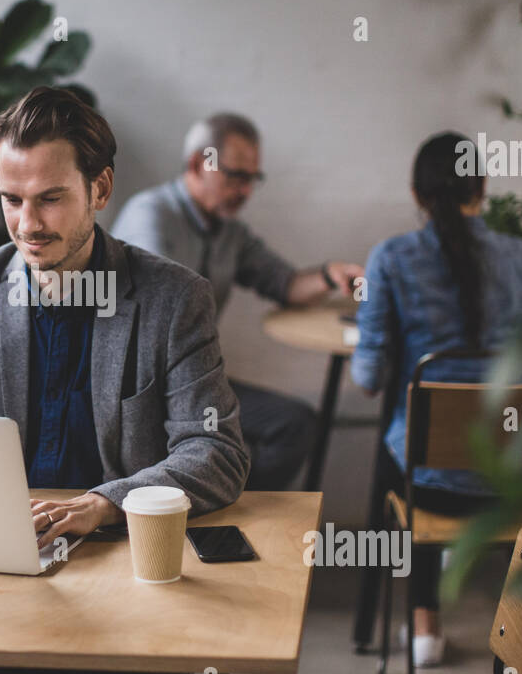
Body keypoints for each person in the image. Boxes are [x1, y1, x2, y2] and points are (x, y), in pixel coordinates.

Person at [0, 86, 250, 674]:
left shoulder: (173, 299)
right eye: (12, 199)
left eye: (51, 198)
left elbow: (216, 450)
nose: (28, 223)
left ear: (99, 190)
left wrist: (105, 503)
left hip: (124, 569)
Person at [349, 132, 522, 667]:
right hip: (518, 486)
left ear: (418, 195)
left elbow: (369, 378)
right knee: (438, 435)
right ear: (482, 187)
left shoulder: (391, 259)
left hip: (431, 492)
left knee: (406, 441)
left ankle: (425, 628)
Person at [110, 112, 363, 490]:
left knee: (293, 425)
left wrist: (330, 274)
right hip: (141, 392)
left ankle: (225, 502)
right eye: (236, 176)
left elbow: (285, 284)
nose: (246, 191)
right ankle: (219, 497)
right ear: (198, 164)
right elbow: (157, 315)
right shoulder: (151, 216)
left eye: (252, 179)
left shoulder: (230, 232)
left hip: (191, 383)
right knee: (227, 446)